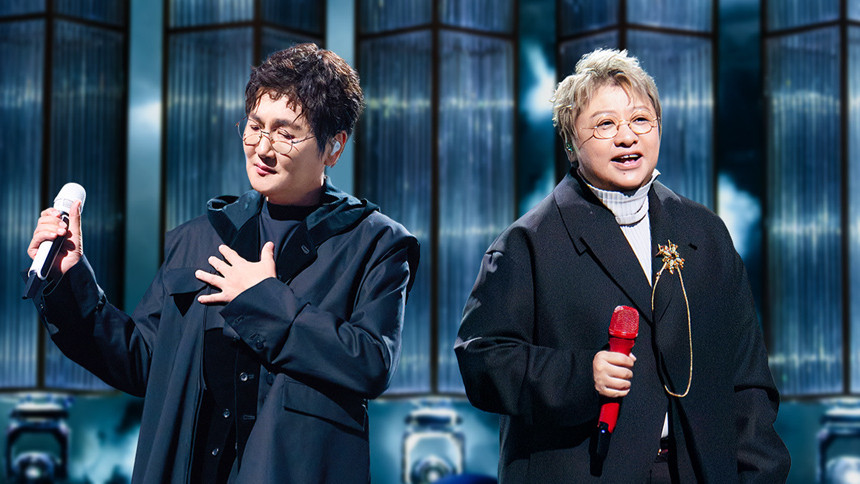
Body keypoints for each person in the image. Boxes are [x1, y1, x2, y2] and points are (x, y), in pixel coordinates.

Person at [26, 43, 419, 483]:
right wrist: (71, 279)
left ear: (333, 147)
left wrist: (264, 300)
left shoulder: (376, 242)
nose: (262, 148)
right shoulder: (200, 237)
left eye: (286, 134)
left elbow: (370, 363)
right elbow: (144, 362)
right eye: (255, 127)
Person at [454, 48, 790, 482]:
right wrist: (581, 375)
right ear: (570, 145)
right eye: (605, 125)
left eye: (640, 120)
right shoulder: (528, 243)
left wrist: (760, 474)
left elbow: (747, 376)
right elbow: (481, 360)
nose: (627, 137)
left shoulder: (704, 233)